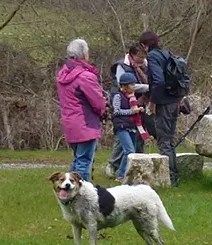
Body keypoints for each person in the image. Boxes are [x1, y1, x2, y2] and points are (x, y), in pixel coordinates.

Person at [55, 38, 107, 181]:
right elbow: (98, 103)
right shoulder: (85, 77)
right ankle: (82, 196)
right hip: (85, 123)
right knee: (84, 162)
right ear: (84, 54)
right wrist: (103, 110)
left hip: (70, 122)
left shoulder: (62, 75)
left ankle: (67, 191)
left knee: (77, 160)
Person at [144, 30, 189, 186]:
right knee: (169, 141)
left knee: (163, 142)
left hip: (163, 103)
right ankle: (175, 177)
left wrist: (152, 101)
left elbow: (159, 81)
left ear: (145, 46)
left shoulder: (152, 57)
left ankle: (169, 179)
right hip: (174, 101)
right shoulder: (166, 53)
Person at [105, 42, 152, 178]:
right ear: (132, 55)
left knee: (134, 141)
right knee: (124, 144)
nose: (142, 60)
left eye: (144, 57)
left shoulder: (145, 66)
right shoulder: (122, 66)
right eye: (140, 57)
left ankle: (131, 169)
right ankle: (114, 166)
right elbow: (124, 85)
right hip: (124, 113)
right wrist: (148, 88)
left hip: (135, 104)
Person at [110, 72, 151, 182]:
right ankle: (122, 175)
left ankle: (122, 174)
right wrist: (132, 111)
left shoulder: (132, 98)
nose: (134, 87)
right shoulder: (118, 96)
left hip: (132, 126)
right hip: (121, 126)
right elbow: (116, 111)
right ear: (124, 86)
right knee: (129, 151)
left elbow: (133, 111)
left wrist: (139, 110)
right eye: (132, 85)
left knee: (129, 152)